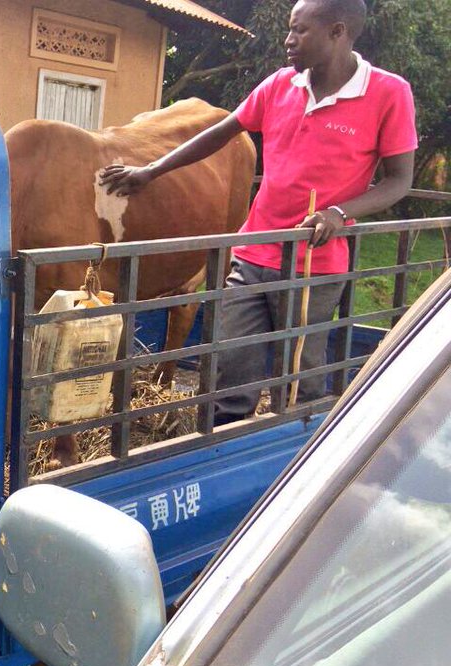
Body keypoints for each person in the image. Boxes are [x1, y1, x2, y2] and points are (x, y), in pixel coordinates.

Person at [99, 0, 416, 425]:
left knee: (299, 380)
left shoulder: (387, 92)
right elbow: (220, 133)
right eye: (289, 29)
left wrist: (340, 213)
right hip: (252, 254)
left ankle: (293, 459)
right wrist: (151, 171)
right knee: (231, 371)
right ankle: (224, 451)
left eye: (300, 31)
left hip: (313, 264)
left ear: (337, 32)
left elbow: (399, 180)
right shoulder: (280, 85)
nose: (288, 40)